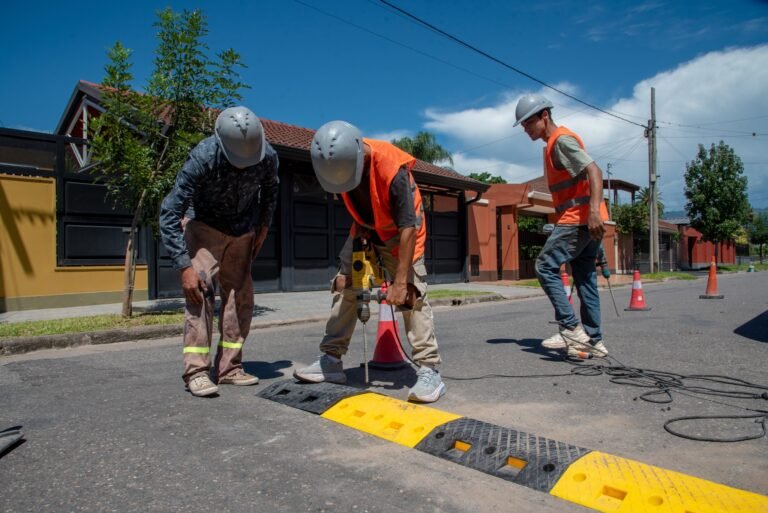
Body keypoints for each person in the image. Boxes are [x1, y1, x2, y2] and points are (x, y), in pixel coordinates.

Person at [293, 120, 445, 403]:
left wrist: (400, 282)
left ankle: (429, 370)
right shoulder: (339, 166)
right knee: (346, 285)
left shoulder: (391, 168)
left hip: (402, 235)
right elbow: (360, 206)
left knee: (412, 297)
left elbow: (407, 228)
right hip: (366, 229)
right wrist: (360, 244)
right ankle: (331, 361)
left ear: (359, 156)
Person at [159, 106, 279, 397]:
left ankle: (228, 368)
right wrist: (184, 266)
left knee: (241, 298)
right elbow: (168, 212)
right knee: (198, 291)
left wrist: (261, 230)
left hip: (243, 229)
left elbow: (270, 195)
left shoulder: (267, 156)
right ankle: (196, 372)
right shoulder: (203, 157)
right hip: (204, 225)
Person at [514, 94, 609, 358]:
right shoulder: (552, 145)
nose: (526, 129)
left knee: (544, 266)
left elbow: (595, 171)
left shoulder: (561, 141)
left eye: (528, 123)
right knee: (586, 279)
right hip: (586, 220)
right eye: (522, 125)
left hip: (579, 218)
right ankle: (594, 340)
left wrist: (592, 212)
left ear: (545, 115)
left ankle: (570, 328)